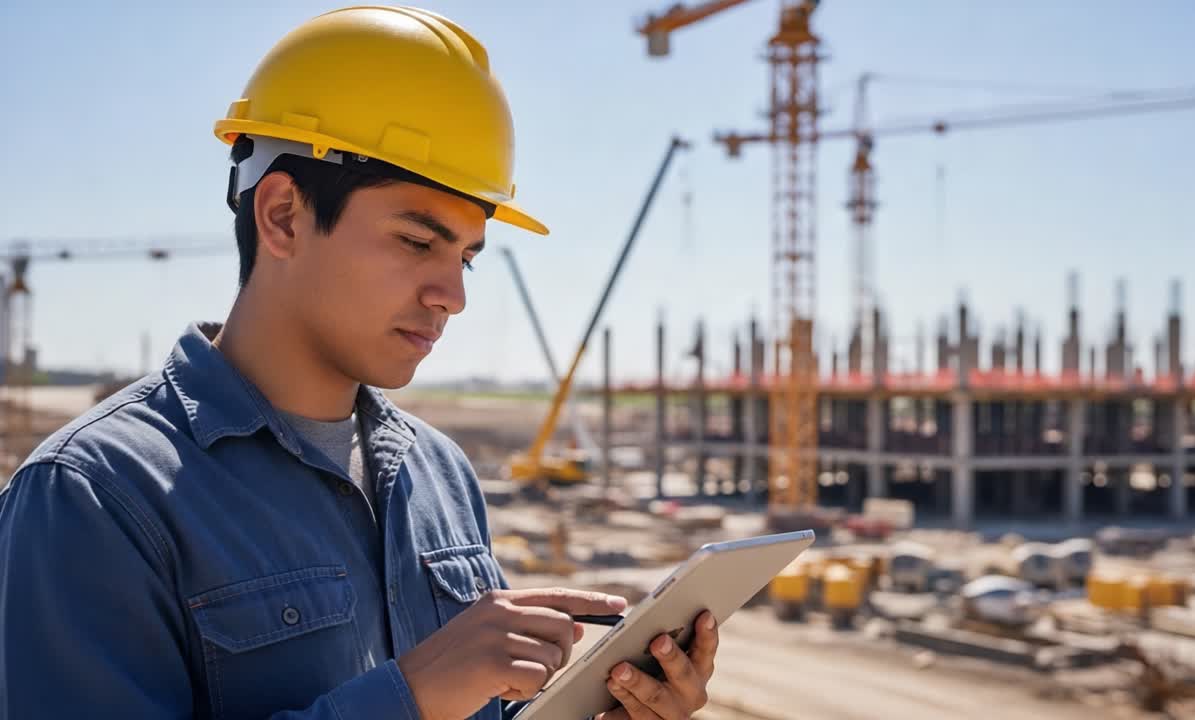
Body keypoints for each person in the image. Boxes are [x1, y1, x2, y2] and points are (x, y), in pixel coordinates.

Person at [0, 6, 718, 720]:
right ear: (283, 215)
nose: (453, 296)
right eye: (416, 241)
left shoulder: (438, 474)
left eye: (466, 256)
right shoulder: (94, 497)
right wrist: (411, 697)